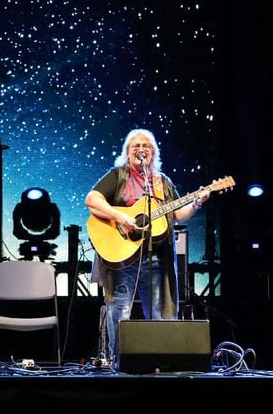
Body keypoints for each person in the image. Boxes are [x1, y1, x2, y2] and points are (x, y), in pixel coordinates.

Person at [85, 128, 209, 367]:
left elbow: (177, 214)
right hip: (123, 259)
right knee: (119, 312)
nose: (141, 150)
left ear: (153, 153)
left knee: (158, 313)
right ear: (127, 152)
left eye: (147, 146)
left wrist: (195, 203)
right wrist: (120, 218)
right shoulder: (118, 176)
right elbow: (92, 199)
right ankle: (117, 364)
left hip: (155, 259)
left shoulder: (162, 183)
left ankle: (159, 363)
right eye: (136, 146)